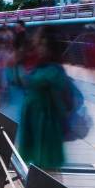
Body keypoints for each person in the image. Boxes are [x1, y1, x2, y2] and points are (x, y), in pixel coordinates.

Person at [17, 29, 75, 172]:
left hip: (45, 119)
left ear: (49, 48)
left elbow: (66, 99)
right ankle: (38, 185)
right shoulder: (41, 67)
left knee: (45, 162)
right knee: (38, 160)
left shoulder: (54, 70)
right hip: (35, 117)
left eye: (40, 45)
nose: (37, 48)